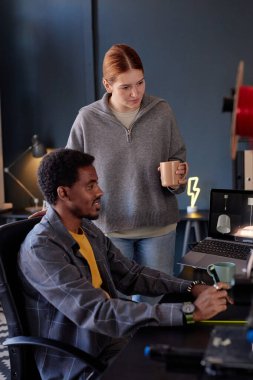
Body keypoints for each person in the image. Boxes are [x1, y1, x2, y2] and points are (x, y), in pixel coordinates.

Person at [18, 148, 231, 380]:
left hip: (112, 336)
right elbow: (97, 312)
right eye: (90, 186)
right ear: (64, 193)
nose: (100, 192)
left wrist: (189, 288)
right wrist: (191, 311)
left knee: (197, 353)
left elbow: (132, 275)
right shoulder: (42, 248)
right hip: (83, 358)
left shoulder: (86, 229)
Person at [66, 44, 188, 303]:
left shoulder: (162, 111)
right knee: (117, 310)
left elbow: (177, 157)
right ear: (107, 85)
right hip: (108, 230)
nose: (136, 93)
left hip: (159, 227)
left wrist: (178, 174)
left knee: (153, 307)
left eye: (140, 83)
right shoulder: (87, 119)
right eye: (125, 87)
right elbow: (66, 173)